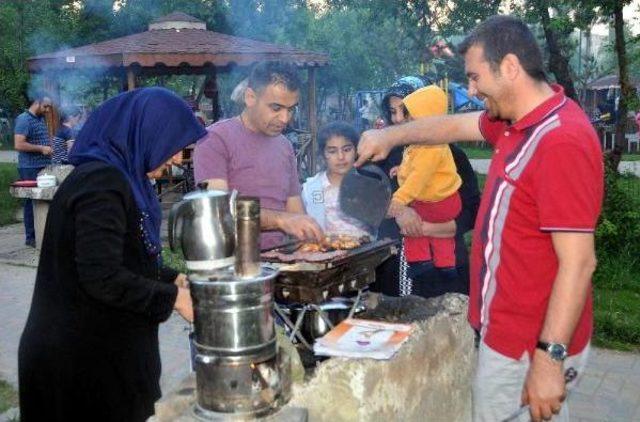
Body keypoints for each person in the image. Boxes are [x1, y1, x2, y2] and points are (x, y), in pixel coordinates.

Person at [356, 15, 603, 422]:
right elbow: (455, 125)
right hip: (506, 333)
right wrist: (389, 136)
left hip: (527, 346)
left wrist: (549, 360)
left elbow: (579, 263)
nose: (470, 90)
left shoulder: (561, 141)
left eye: (474, 77)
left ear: (509, 67)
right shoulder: (516, 122)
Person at [18, 87, 205, 422]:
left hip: (106, 359)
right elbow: (102, 276)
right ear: (146, 132)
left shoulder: (124, 179)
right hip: (78, 369)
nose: (178, 158)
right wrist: (175, 298)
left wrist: (170, 276)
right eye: (175, 146)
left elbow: (125, 256)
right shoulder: (101, 184)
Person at [194, 61, 323, 249]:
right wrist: (280, 220)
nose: (285, 119)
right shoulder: (215, 140)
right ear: (250, 97)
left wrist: (311, 237)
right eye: (276, 108)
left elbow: (294, 211)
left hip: (281, 262)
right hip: (232, 264)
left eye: (291, 109)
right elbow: (217, 210)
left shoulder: (285, 147)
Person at [373, 76, 480, 298]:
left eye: (404, 110)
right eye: (392, 112)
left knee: (444, 327)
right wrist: (400, 210)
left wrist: (433, 228)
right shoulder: (383, 156)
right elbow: (366, 202)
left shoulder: (451, 155)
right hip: (394, 266)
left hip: (445, 264)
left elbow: (472, 209)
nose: (398, 119)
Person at [389, 85, 462, 281]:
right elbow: (413, 166)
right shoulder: (425, 143)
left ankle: (419, 262)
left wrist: (398, 201)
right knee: (442, 239)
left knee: (412, 228)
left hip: (436, 203)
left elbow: (417, 178)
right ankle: (446, 265)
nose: (401, 120)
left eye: (410, 117)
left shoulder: (429, 146)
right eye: (393, 112)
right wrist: (401, 170)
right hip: (446, 201)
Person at [301, 121, 369, 237]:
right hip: (323, 252)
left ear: (356, 151)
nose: (341, 157)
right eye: (332, 151)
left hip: (366, 252)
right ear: (323, 154)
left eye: (347, 150)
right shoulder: (311, 189)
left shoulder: (369, 186)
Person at [14, 91, 53, 247]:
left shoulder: (40, 118)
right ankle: (31, 238)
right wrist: (41, 148)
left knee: (43, 200)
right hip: (29, 167)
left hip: (42, 166)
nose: (48, 110)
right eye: (45, 106)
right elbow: (18, 144)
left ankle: (43, 233)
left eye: (49, 107)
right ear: (36, 102)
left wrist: (48, 148)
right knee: (30, 201)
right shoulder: (24, 119)